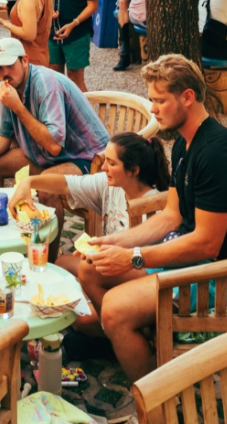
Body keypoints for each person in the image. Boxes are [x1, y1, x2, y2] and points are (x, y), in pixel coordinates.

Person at [77, 54, 227, 386]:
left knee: (114, 309)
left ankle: (156, 402)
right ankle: (138, 354)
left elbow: (207, 242)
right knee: (90, 268)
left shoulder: (218, 152)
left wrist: (135, 256)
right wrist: (110, 243)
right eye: (151, 100)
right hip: (193, 265)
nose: (152, 109)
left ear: (188, 97)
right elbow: (170, 217)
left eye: (159, 100)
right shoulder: (184, 144)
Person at [0, 38, 109, 260]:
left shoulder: (46, 86)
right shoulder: (8, 88)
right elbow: (2, 136)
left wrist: (18, 107)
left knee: (47, 186)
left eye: (10, 65)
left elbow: (53, 145)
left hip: (88, 159)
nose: (4, 73)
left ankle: (48, 262)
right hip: (45, 155)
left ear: (25, 60)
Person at [9, 132, 169, 336]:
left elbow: (143, 270)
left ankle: (114, 332)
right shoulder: (111, 185)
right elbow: (67, 184)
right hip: (102, 267)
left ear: (133, 171)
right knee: (60, 265)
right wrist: (29, 182)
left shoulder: (154, 208)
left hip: (133, 282)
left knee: (80, 318)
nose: (103, 168)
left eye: (111, 163)